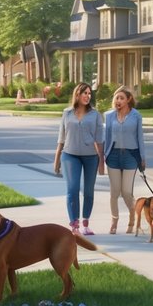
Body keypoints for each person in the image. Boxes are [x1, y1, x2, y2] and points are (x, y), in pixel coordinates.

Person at [55, 82, 106, 235]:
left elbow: (99, 140)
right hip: (69, 155)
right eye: (85, 93)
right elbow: (61, 138)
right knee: (72, 189)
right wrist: (57, 159)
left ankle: (85, 223)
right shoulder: (67, 113)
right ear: (77, 94)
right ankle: (74, 225)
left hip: (91, 157)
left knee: (88, 191)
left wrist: (101, 164)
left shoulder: (95, 114)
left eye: (90, 94)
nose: (88, 96)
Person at [103, 86, 146, 234]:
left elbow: (140, 137)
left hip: (131, 156)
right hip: (113, 156)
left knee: (127, 192)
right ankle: (114, 221)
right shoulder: (109, 116)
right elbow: (107, 138)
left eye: (121, 98)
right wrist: (104, 155)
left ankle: (133, 217)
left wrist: (142, 157)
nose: (118, 101)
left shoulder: (136, 116)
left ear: (128, 100)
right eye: (116, 98)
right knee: (114, 192)